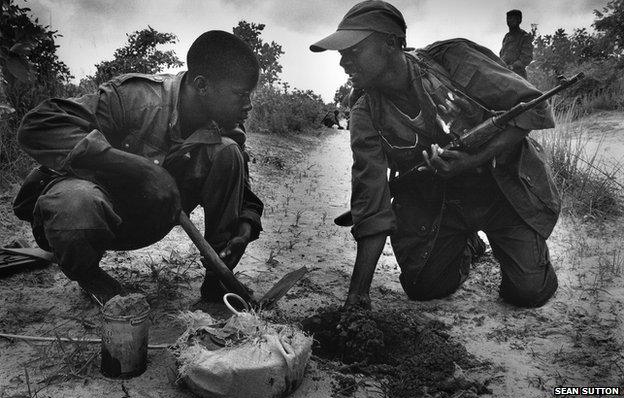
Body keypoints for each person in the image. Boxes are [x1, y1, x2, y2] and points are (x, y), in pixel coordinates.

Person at [310, 1, 559, 310]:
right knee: (423, 288)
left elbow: (533, 107)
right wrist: (358, 292)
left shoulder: (453, 61)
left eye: (354, 51)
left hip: (500, 193)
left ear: (391, 43)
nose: (344, 63)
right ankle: (470, 245)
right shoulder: (365, 113)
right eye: (342, 54)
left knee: (529, 293)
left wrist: (475, 159)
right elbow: (371, 200)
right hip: (437, 205)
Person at [14, 31, 264, 305]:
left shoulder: (225, 124)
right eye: (240, 95)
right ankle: (89, 276)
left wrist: (244, 228)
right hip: (89, 219)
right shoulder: (134, 97)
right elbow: (37, 125)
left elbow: (243, 194)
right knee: (75, 202)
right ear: (202, 85)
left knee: (229, 152)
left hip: (151, 222)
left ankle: (218, 283)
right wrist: (142, 169)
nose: (248, 105)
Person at [500, 9, 533, 78]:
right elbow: (502, 55)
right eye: (508, 19)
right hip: (504, 74)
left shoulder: (524, 36)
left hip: (518, 76)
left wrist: (512, 67)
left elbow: (526, 58)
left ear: (519, 20)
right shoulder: (507, 36)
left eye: (512, 19)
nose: (509, 21)